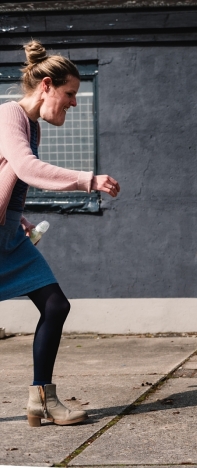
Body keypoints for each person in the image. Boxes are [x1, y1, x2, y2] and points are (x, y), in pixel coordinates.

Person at [0, 40, 120, 427]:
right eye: (69, 94)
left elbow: (8, 174)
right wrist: (89, 179)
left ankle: (41, 399)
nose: (73, 103)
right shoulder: (9, 115)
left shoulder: (29, 125)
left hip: (8, 235)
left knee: (55, 306)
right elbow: (27, 168)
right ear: (47, 85)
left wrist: (15, 215)